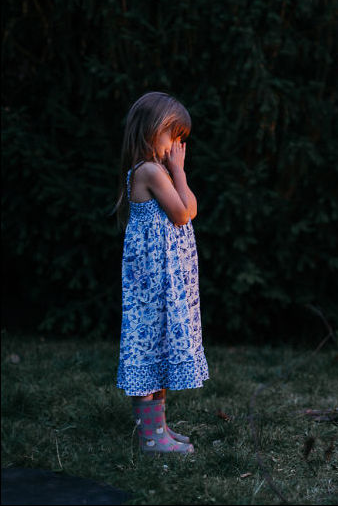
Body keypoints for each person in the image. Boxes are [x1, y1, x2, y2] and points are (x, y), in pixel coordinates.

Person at [113, 91, 209, 454]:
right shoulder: (150, 171)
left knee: (160, 344)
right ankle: (151, 438)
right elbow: (182, 213)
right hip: (153, 280)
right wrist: (179, 171)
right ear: (153, 130)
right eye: (174, 136)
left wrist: (178, 173)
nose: (177, 147)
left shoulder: (160, 171)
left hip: (165, 278)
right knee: (148, 344)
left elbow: (191, 208)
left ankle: (159, 429)